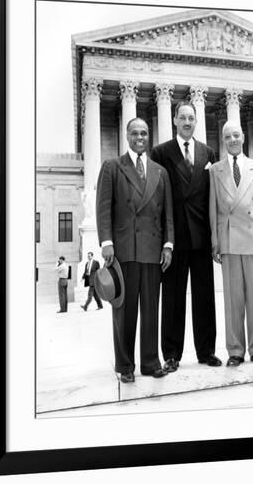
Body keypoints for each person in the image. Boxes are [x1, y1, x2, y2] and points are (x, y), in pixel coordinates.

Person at [96, 117, 174, 383]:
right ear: (126, 135)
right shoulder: (112, 166)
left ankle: (151, 363)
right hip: (124, 250)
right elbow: (103, 207)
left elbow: (168, 214)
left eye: (144, 133)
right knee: (125, 311)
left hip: (153, 251)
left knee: (151, 310)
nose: (140, 137)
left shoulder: (159, 171)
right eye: (135, 133)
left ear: (148, 136)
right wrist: (106, 242)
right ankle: (125, 366)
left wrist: (168, 244)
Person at [150, 100, 221, 372]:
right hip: (174, 238)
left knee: (204, 298)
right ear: (175, 121)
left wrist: (216, 237)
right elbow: (157, 199)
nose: (188, 122)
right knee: (172, 298)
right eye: (183, 117)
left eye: (191, 117)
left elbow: (214, 198)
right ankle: (171, 354)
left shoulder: (208, 153)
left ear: (195, 121)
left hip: (202, 237)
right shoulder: (161, 152)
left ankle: (207, 351)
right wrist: (163, 240)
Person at [209, 121, 253, 367]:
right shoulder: (215, 170)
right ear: (223, 140)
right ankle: (235, 350)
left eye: (236, 135)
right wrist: (215, 242)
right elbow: (213, 209)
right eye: (228, 137)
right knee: (232, 299)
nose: (233, 140)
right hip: (228, 240)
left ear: (243, 137)